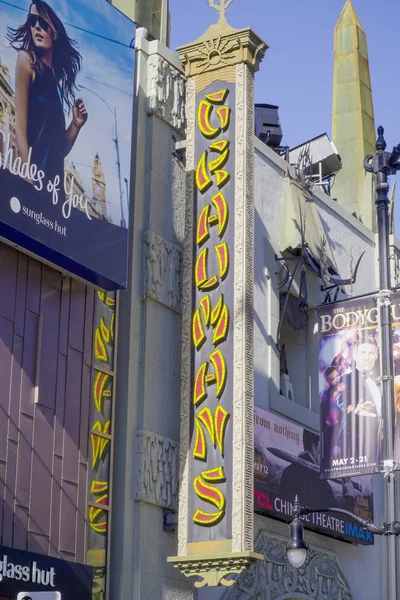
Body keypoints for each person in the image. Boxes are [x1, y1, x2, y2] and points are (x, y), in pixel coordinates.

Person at [7, 0, 88, 185]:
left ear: (55, 32)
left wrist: (76, 124)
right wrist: (27, 173)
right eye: (32, 22)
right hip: (34, 177)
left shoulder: (54, 80)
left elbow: (57, 150)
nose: (37, 27)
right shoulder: (26, 60)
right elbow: (20, 125)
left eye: (43, 23)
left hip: (54, 186)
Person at [337, 332, 381, 468]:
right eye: (363, 353)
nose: (367, 358)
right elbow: (341, 400)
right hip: (356, 448)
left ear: (376, 355)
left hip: (380, 444)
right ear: (355, 356)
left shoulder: (381, 381)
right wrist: (355, 409)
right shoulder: (347, 378)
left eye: (371, 353)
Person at [280, 429, 336, 510]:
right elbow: (338, 519)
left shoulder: (287, 471)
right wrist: (349, 494)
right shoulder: (322, 484)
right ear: (314, 447)